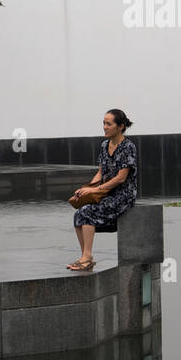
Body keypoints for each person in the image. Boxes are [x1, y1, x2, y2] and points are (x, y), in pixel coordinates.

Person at [68, 109, 139, 270]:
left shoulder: (128, 147)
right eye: (103, 123)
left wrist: (94, 191)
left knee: (87, 212)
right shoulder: (104, 145)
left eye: (109, 124)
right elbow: (100, 173)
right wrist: (86, 189)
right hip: (106, 193)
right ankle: (86, 256)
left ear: (120, 127)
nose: (104, 127)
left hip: (123, 196)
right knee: (78, 214)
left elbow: (121, 178)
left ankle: (87, 258)